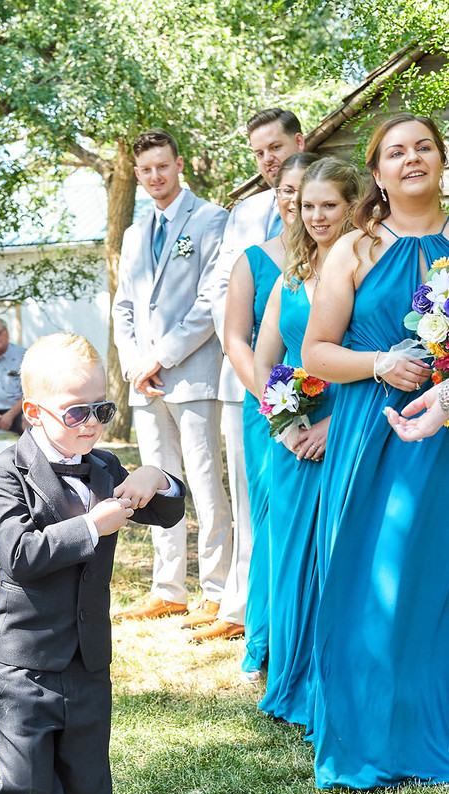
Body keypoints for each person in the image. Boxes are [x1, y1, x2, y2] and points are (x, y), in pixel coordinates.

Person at [0, 333, 185, 794]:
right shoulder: (4, 471)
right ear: (34, 412)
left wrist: (158, 475)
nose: (91, 423)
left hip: (88, 662)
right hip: (23, 664)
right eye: (76, 412)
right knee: (27, 789)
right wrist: (92, 525)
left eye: (102, 409)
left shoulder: (105, 466)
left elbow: (168, 512)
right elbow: (19, 555)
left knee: (89, 791)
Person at [301, 113, 449, 789]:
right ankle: (375, 729)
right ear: (378, 173)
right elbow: (315, 353)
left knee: (435, 574)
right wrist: (379, 363)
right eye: (395, 152)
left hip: (444, 427)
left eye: (423, 147)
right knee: (375, 576)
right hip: (374, 432)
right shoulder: (353, 250)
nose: (411, 158)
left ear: (440, 160)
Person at [192, 154, 318, 671]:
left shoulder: (344, 256)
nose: (296, 201)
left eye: (307, 191)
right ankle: (266, 639)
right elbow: (235, 340)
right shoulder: (253, 260)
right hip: (269, 403)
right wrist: (279, 406)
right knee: (269, 518)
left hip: (333, 401)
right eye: (288, 190)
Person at [254, 157, 361, 728]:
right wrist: (287, 424)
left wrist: (334, 426)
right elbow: (263, 361)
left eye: (329, 205)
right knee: (291, 558)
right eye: (307, 206)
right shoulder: (289, 278)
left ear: (352, 207)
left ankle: (331, 686)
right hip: (291, 439)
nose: (317, 216)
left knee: (339, 556)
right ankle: (290, 682)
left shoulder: (368, 270)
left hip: (351, 425)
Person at [112, 127, 229, 623]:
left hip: (193, 374)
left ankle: (218, 590)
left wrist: (159, 356)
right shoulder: (134, 234)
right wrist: (134, 364)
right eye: (146, 169)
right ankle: (168, 588)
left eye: (162, 166)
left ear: (179, 164)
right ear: (137, 175)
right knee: (155, 486)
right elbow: (123, 307)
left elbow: (211, 302)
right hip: (145, 383)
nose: (155, 175)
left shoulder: (211, 219)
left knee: (204, 485)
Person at [207, 109, 306, 640]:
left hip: (328, 391)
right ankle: (248, 613)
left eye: (276, 148)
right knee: (257, 506)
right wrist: (272, 397)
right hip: (253, 384)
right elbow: (224, 298)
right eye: (259, 152)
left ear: (299, 142)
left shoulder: (338, 219)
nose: (267, 160)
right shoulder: (245, 216)